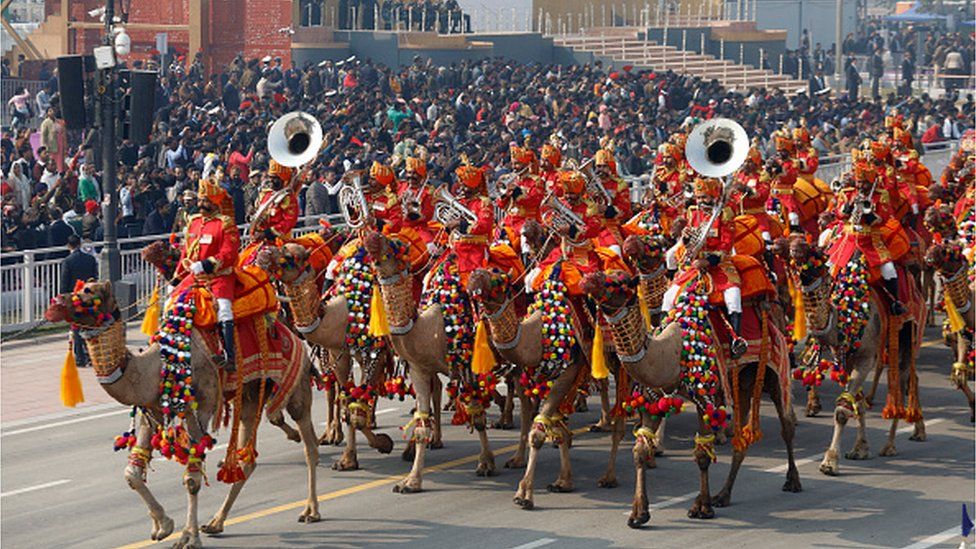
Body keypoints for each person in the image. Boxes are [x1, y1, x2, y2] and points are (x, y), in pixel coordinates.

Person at [173, 179, 240, 371]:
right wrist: (176, 278)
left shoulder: (225, 223)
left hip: (219, 278)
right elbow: (186, 253)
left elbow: (228, 254)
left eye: (206, 200)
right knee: (171, 302)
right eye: (200, 200)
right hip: (194, 277)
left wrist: (204, 265)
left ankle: (229, 355)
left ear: (215, 202)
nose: (201, 204)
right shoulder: (193, 222)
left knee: (224, 309)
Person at [60, 235, 99, 367]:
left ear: (69, 246)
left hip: (75, 298)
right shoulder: (90, 259)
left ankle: (80, 357)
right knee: (90, 325)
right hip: (89, 296)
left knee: (76, 328)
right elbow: (95, 277)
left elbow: (64, 283)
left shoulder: (67, 261)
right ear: (80, 244)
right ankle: (91, 354)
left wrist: (63, 299)